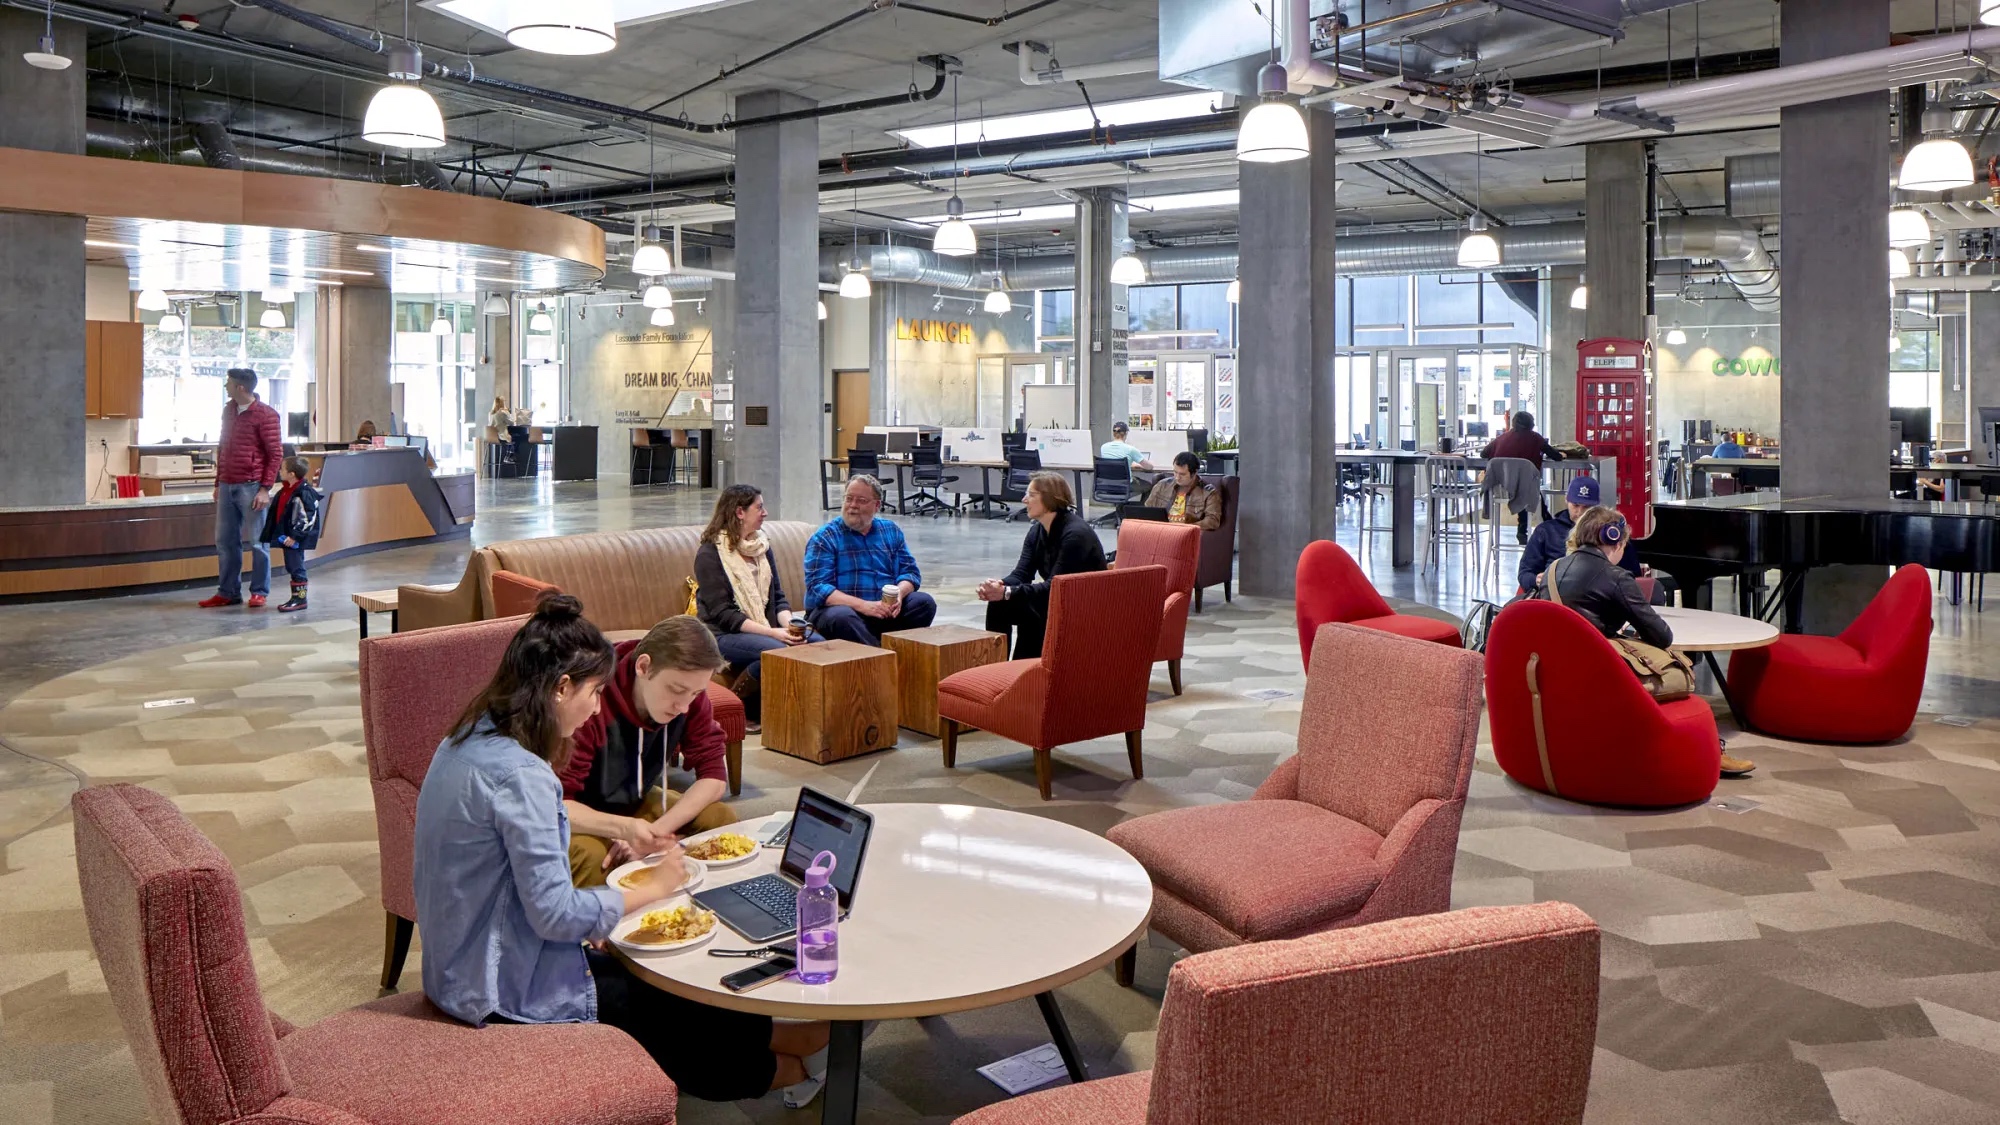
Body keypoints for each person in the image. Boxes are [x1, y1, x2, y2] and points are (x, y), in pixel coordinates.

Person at [412, 595, 830, 1105]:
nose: (594, 706)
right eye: (591, 692)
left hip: (463, 962)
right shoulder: (522, 774)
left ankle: (801, 1044)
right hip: (499, 988)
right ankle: (801, 1062)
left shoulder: (467, 737)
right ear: (561, 688)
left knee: (672, 989)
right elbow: (555, 915)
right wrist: (650, 889)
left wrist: (625, 852)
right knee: (696, 1036)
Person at [559, 615, 742, 887]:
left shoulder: (689, 698)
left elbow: (714, 777)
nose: (683, 706)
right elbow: (557, 805)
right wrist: (627, 831)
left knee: (721, 819)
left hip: (638, 799)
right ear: (643, 667)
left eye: (695, 693)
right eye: (676, 690)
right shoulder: (593, 701)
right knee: (594, 859)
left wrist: (655, 834)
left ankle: (699, 908)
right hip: (584, 814)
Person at [695, 484, 818, 727]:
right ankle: (741, 707)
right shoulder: (710, 554)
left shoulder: (762, 546)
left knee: (819, 646)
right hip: (723, 634)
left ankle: (801, 712)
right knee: (779, 652)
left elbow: (778, 597)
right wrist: (774, 633)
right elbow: (725, 615)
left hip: (765, 626)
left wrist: (791, 626)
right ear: (740, 512)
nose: (765, 513)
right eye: (759, 507)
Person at [977, 471, 1106, 658]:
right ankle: (999, 667)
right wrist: (999, 586)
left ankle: (1025, 668)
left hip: (1080, 605)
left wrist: (1007, 592)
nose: (1024, 500)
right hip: (1056, 598)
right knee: (999, 603)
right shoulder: (1037, 531)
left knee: (1016, 602)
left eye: (1031, 495)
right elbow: (1022, 574)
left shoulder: (1075, 534)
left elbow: (1055, 586)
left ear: (1049, 498)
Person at [803, 475, 937, 644]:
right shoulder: (825, 537)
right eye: (849, 499)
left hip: (883, 610)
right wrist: (865, 606)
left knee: (923, 603)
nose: (853, 506)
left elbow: (910, 572)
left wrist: (899, 595)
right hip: (842, 610)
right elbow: (818, 588)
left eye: (861, 500)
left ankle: (894, 650)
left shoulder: (890, 530)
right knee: (842, 617)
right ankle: (883, 659)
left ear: (877, 505)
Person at [199, 368, 282, 609]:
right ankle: (228, 592)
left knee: (258, 542)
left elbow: (275, 453)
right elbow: (222, 447)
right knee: (225, 541)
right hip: (227, 485)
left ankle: (259, 592)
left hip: (252, 485)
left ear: (241, 388)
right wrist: (218, 482)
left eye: (229, 383)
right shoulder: (229, 410)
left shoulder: (266, 415)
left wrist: (265, 489)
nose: (226, 387)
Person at [1481, 410, 1563, 542]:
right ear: (1531, 424)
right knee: (1526, 485)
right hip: (1524, 490)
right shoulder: (1535, 438)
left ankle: (1525, 528)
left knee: (1523, 484)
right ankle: (1544, 524)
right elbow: (1556, 456)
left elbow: (1483, 454)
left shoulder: (1502, 437)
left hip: (1500, 490)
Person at [261, 456, 322, 614]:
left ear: (292, 474)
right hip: (286, 536)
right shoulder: (286, 490)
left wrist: (295, 536)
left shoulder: (304, 492)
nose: (279, 471)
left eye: (282, 469)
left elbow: (308, 518)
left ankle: (300, 599)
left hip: (294, 539)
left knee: (296, 567)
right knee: (291, 565)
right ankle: (296, 598)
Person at [1143, 452, 1222, 530]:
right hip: (1161, 530)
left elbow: (1213, 521)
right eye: (1175, 472)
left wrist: (1188, 528)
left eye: (1182, 474)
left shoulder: (1208, 492)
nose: (1177, 477)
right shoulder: (1162, 485)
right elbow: (1146, 511)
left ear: (1194, 473)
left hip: (1186, 533)